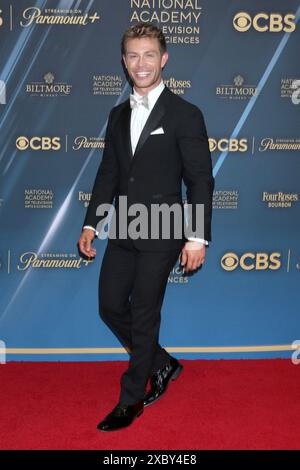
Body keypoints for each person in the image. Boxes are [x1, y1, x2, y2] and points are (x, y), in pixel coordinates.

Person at [78, 22, 214, 432]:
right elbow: (108, 174)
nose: (141, 63)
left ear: (164, 58)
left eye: (149, 54)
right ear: (124, 61)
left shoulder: (185, 113)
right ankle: (161, 362)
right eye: (133, 55)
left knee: (144, 314)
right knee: (110, 305)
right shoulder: (117, 114)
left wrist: (196, 236)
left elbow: (200, 180)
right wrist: (90, 224)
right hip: (123, 227)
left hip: (165, 227)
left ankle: (133, 397)